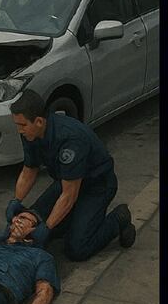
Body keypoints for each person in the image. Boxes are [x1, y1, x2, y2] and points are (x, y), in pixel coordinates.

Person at [9, 89, 135, 261]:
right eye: (17, 125)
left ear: (38, 121)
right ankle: (72, 222)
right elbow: (29, 170)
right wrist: (16, 200)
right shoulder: (31, 133)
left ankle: (118, 219)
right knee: (38, 225)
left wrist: (47, 227)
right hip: (66, 181)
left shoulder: (70, 140)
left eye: (22, 125)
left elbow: (69, 195)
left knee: (77, 248)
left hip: (96, 186)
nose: (19, 130)